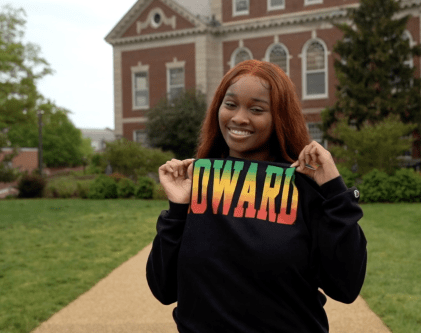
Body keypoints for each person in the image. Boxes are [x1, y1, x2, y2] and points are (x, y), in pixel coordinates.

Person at [146, 60, 367, 332]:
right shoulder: (197, 185)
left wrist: (334, 191)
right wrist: (178, 211)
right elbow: (163, 289)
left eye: (257, 109)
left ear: (279, 118)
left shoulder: (302, 187)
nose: (239, 117)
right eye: (230, 104)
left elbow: (345, 287)